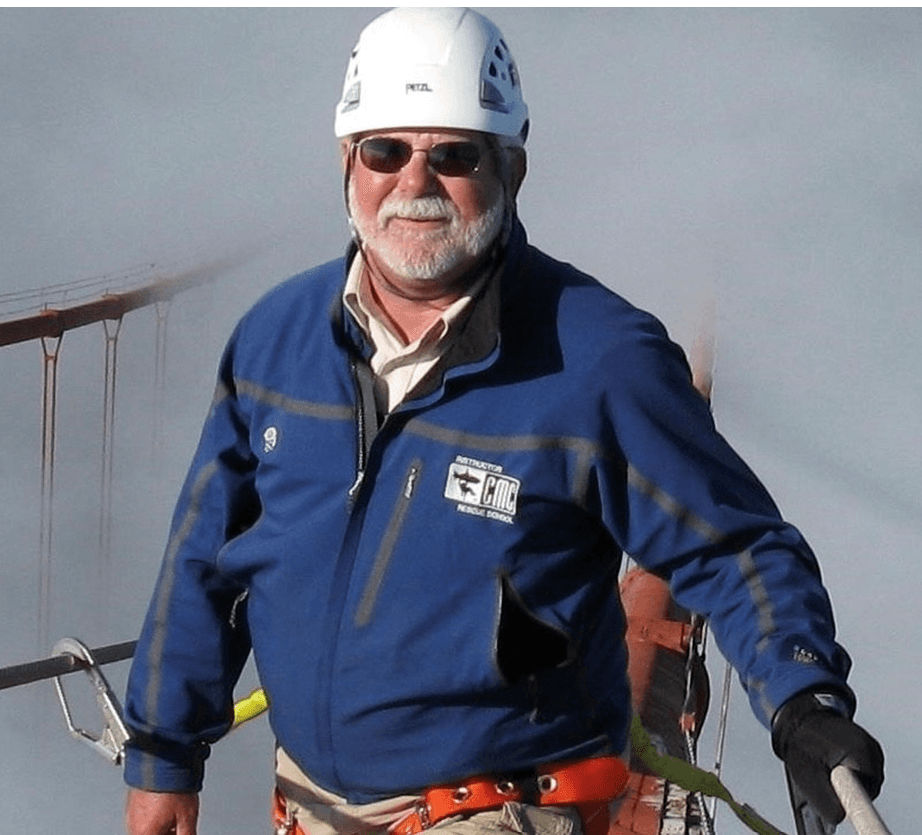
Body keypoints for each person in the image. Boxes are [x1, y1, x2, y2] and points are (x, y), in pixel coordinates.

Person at [123, 8, 884, 835]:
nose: (413, 184)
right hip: (307, 803)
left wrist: (804, 701)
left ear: (511, 167)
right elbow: (204, 560)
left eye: (454, 156)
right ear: (347, 161)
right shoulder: (273, 342)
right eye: (385, 151)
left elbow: (734, 547)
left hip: (501, 808)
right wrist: (164, 755)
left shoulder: (599, 360)